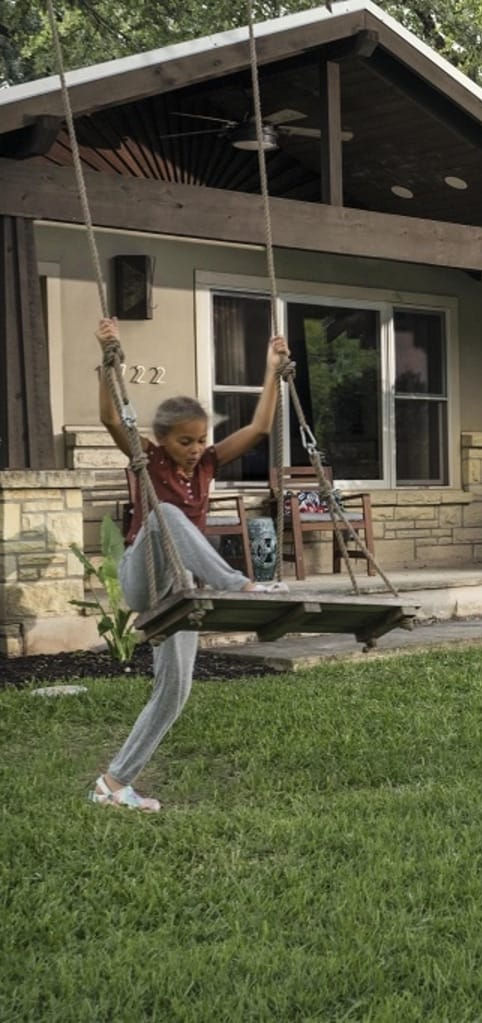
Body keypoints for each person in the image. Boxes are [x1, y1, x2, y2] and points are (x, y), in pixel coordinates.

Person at [88, 317, 289, 812]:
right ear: (163, 439)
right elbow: (114, 421)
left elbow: (261, 427)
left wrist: (271, 371)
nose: (196, 448)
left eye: (201, 439)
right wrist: (107, 362)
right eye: (186, 441)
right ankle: (240, 584)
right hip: (144, 575)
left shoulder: (209, 464)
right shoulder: (149, 459)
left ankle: (113, 785)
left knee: (175, 692)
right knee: (169, 514)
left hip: (180, 593)